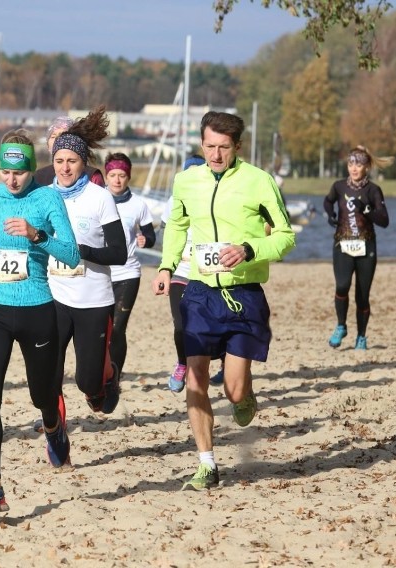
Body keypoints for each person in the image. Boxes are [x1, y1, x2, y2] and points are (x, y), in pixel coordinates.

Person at [152, 111, 296, 491]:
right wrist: (167, 266)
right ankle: (206, 463)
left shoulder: (258, 181)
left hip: (244, 294)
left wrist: (250, 249)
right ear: (201, 145)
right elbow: (177, 226)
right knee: (196, 374)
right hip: (199, 291)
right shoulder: (186, 181)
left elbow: (285, 237)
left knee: (233, 388)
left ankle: (243, 396)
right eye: (210, 147)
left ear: (237, 147)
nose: (216, 155)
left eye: (224, 148)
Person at [0, 130, 80, 514]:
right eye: (6, 171)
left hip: (38, 309)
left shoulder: (47, 198)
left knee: (42, 395)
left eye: (20, 172)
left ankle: (54, 428)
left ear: (30, 169)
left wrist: (36, 234)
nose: (12, 180)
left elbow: (71, 253)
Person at [48, 106, 128, 419]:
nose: (65, 168)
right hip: (53, 298)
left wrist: (83, 250)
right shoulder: (43, 197)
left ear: (83, 163)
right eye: (59, 161)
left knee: (87, 381)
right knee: (49, 375)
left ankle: (108, 375)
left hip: (93, 301)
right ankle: (56, 436)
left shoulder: (100, 197)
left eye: (72, 161)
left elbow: (119, 252)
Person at [160, 154, 225, 393]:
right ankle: (182, 363)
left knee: (216, 324)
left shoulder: (217, 198)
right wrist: (165, 269)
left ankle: (226, 360)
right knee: (180, 325)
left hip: (210, 272)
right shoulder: (173, 199)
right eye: (189, 172)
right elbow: (169, 234)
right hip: (182, 271)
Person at [323, 146, 392, 350]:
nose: (354, 168)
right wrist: (330, 215)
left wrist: (367, 210)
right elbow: (328, 202)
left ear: (367, 167)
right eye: (351, 163)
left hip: (366, 246)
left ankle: (361, 337)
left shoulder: (373, 190)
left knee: (362, 295)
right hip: (342, 244)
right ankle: (341, 326)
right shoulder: (338, 187)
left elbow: (385, 221)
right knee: (342, 286)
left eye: (359, 164)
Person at [104, 152, 156, 382]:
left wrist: (147, 240)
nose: (117, 180)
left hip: (128, 273)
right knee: (99, 329)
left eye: (122, 175)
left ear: (128, 177)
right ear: (106, 176)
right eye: (113, 175)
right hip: (100, 273)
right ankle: (100, 368)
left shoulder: (138, 205)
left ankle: (114, 373)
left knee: (117, 328)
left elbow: (151, 234)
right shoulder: (97, 200)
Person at [34, 116, 104, 187]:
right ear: (47, 144)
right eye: (53, 136)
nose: (57, 140)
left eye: (62, 135)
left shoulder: (93, 176)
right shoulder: (39, 176)